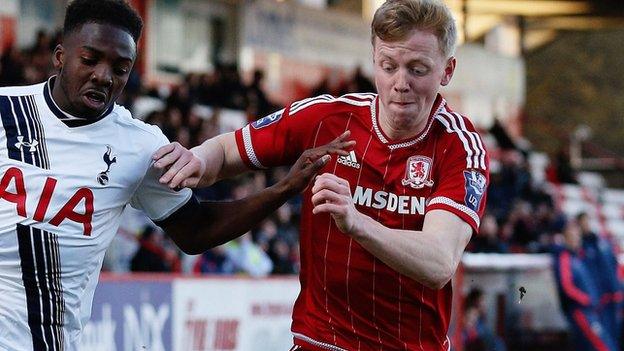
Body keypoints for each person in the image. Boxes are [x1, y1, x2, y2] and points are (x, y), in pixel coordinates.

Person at [0, 1, 352, 350]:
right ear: (60, 56)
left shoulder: (139, 146)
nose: (104, 76)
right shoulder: (5, 110)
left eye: (121, 68)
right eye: (90, 60)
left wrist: (284, 188)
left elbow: (195, 230)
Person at [156, 0, 489, 349]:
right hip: (321, 341)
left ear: (447, 70)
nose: (399, 82)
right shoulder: (327, 119)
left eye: (417, 69)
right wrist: (195, 159)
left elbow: (438, 262)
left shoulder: (459, 147)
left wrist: (356, 222)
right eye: (388, 66)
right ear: (374, 59)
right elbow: (225, 152)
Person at [553, 219, 617, 351]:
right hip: (581, 312)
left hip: (591, 311)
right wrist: (586, 299)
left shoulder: (580, 257)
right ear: (566, 237)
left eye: (578, 236)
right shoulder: (565, 258)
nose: (576, 239)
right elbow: (567, 287)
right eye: (573, 236)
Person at [577, 212, 622, 347]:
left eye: (588, 221)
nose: (587, 225)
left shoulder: (603, 243)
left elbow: (614, 266)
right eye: (583, 223)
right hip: (598, 300)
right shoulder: (581, 248)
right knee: (603, 338)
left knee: (616, 334)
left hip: (613, 295)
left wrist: (618, 288)